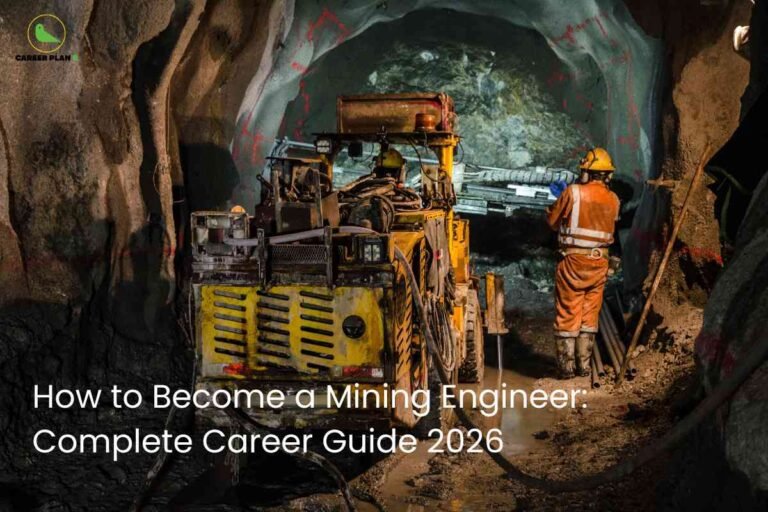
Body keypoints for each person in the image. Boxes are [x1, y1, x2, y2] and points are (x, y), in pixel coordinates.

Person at [546, 148, 621, 379]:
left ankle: (566, 368)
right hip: (600, 262)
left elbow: (553, 223)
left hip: (574, 261)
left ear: (586, 172)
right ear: (607, 175)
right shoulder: (614, 199)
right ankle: (584, 366)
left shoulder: (574, 192)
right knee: (590, 312)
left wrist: (554, 207)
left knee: (569, 309)